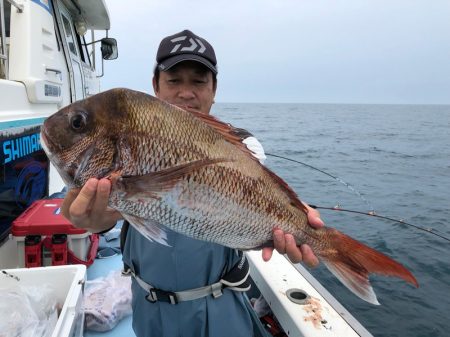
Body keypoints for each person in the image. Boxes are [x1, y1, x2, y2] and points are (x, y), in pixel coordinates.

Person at [62, 30, 324, 337]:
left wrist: (293, 216)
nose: (186, 93)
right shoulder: (132, 143)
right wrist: (88, 218)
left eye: (198, 81)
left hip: (218, 308)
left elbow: (256, 192)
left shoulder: (242, 145)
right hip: (149, 310)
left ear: (214, 90)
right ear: (155, 86)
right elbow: (94, 207)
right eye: (174, 80)